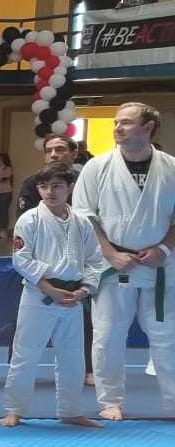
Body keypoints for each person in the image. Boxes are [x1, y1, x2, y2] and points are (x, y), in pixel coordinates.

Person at [77, 102, 175, 420]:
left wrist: (165, 249)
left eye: (126, 122)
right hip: (113, 265)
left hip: (160, 266)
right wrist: (109, 252)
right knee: (108, 335)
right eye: (116, 122)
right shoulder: (97, 167)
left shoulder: (171, 168)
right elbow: (84, 215)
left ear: (148, 128)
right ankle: (110, 401)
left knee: (168, 337)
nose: (117, 127)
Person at [2, 164, 102, 430]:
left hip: (72, 297)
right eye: (44, 186)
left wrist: (83, 290)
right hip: (39, 295)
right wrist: (50, 288)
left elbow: (95, 260)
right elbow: (21, 259)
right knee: (26, 354)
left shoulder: (82, 222)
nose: (50, 192)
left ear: (70, 188)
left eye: (57, 186)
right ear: (38, 189)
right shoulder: (29, 220)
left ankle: (71, 410)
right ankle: (15, 409)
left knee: (73, 357)